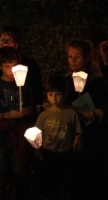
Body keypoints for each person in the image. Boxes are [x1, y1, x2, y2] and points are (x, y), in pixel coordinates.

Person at [0, 46, 34, 200]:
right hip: (2, 138)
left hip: (19, 136)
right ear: (0, 66)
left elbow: (31, 106)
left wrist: (26, 111)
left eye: (14, 66)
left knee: (17, 177)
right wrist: (6, 115)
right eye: (7, 66)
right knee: (1, 176)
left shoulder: (24, 84)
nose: (12, 70)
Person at [65, 40, 108, 200]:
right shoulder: (65, 81)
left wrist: (94, 114)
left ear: (87, 58)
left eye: (77, 57)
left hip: (92, 135)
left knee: (93, 176)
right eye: (70, 56)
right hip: (71, 134)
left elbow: (105, 105)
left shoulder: (96, 82)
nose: (73, 60)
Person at [33, 75, 83, 200]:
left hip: (66, 154)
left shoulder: (71, 114)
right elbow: (36, 134)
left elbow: (78, 131)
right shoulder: (43, 116)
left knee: (67, 185)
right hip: (49, 154)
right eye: (50, 95)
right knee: (51, 186)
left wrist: (78, 138)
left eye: (57, 95)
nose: (54, 99)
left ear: (64, 94)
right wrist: (37, 148)